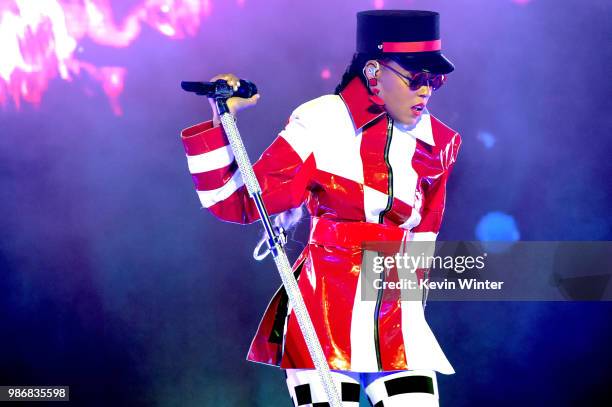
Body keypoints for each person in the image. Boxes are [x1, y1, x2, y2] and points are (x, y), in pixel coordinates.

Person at [180, 10, 461, 407]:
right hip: (327, 305)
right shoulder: (322, 122)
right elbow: (240, 201)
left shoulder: (437, 142)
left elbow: (424, 237)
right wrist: (221, 115)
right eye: (416, 78)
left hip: (397, 313)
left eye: (435, 80)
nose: (427, 91)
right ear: (374, 72)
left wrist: (412, 301)